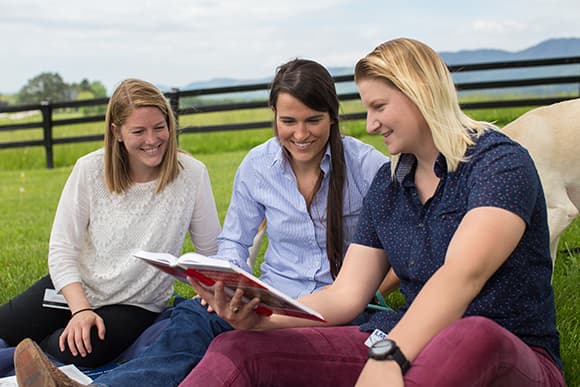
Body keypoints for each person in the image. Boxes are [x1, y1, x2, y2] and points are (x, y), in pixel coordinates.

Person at [178, 38, 566, 386]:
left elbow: (462, 276)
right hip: (409, 343)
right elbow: (345, 296)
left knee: (471, 334)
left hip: (507, 353)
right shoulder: (390, 183)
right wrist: (260, 318)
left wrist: (391, 354)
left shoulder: (498, 164)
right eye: (367, 109)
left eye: (379, 107)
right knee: (240, 349)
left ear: (422, 94)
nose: (370, 123)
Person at [13, 59, 389, 387]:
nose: (301, 134)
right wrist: (228, 288)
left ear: (334, 116)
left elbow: (395, 247)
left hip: (334, 310)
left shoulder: (367, 167)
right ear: (273, 115)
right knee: (188, 322)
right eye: (288, 121)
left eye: (314, 120)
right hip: (270, 298)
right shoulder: (258, 167)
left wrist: (368, 285)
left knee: (216, 345)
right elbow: (233, 245)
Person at [1, 78, 221, 371]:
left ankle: (31, 362)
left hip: (134, 304)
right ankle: (25, 354)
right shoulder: (89, 169)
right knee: (6, 325)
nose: (152, 139)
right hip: (74, 291)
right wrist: (80, 309)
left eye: (159, 127)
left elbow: (212, 251)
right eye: (139, 131)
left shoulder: (191, 174)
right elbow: (62, 250)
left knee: (81, 350)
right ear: (116, 132)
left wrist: (209, 289)